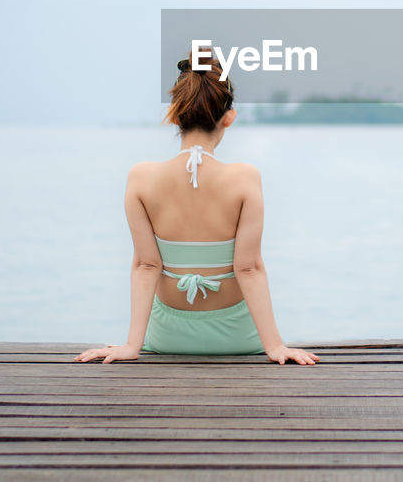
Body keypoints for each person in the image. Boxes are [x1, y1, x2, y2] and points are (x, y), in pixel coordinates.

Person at [74, 50, 319, 366]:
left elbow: (146, 265)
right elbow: (249, 268)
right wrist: (274, 346)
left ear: (174, 115)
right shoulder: (245, 178)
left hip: (167, 338)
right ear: (228, 117)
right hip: (238, 339)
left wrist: (131, 346)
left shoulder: (140, 178)